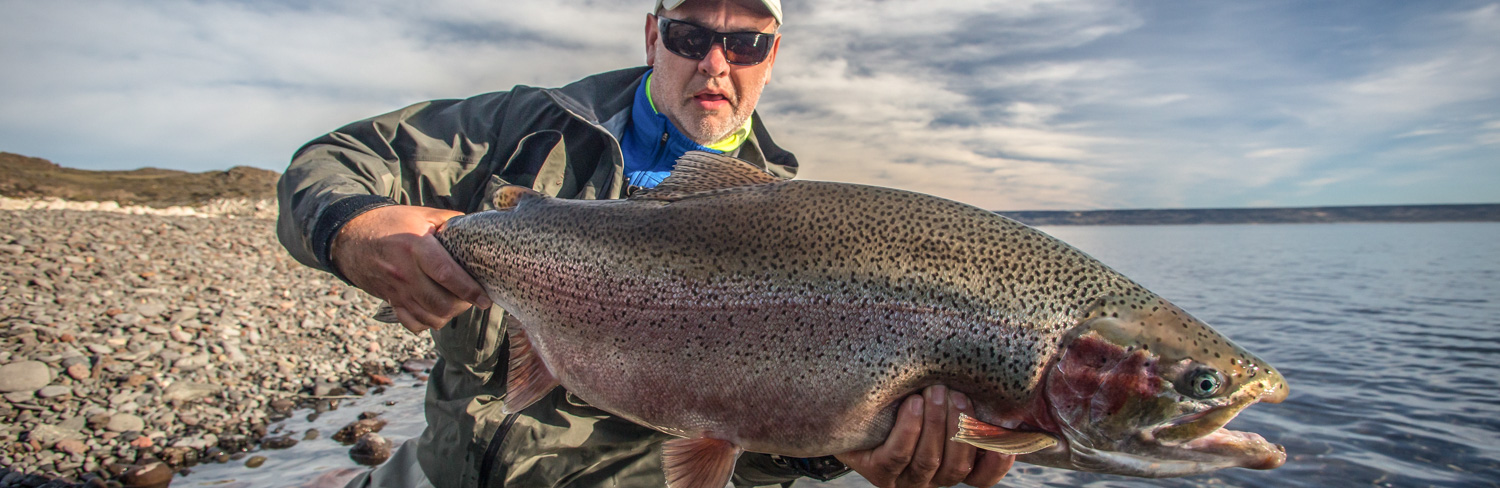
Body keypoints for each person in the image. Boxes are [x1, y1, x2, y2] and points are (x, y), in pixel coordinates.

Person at [277, 0, 1015, 486]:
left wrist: (842, 450)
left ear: (774, 53)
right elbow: (331, 159)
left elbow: (752, 457)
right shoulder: (524, 125)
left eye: (745, 41)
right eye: (691, 35)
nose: (716, 62)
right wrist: (349, 229)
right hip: (441, 470)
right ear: (653, 34)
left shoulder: (805, 232)